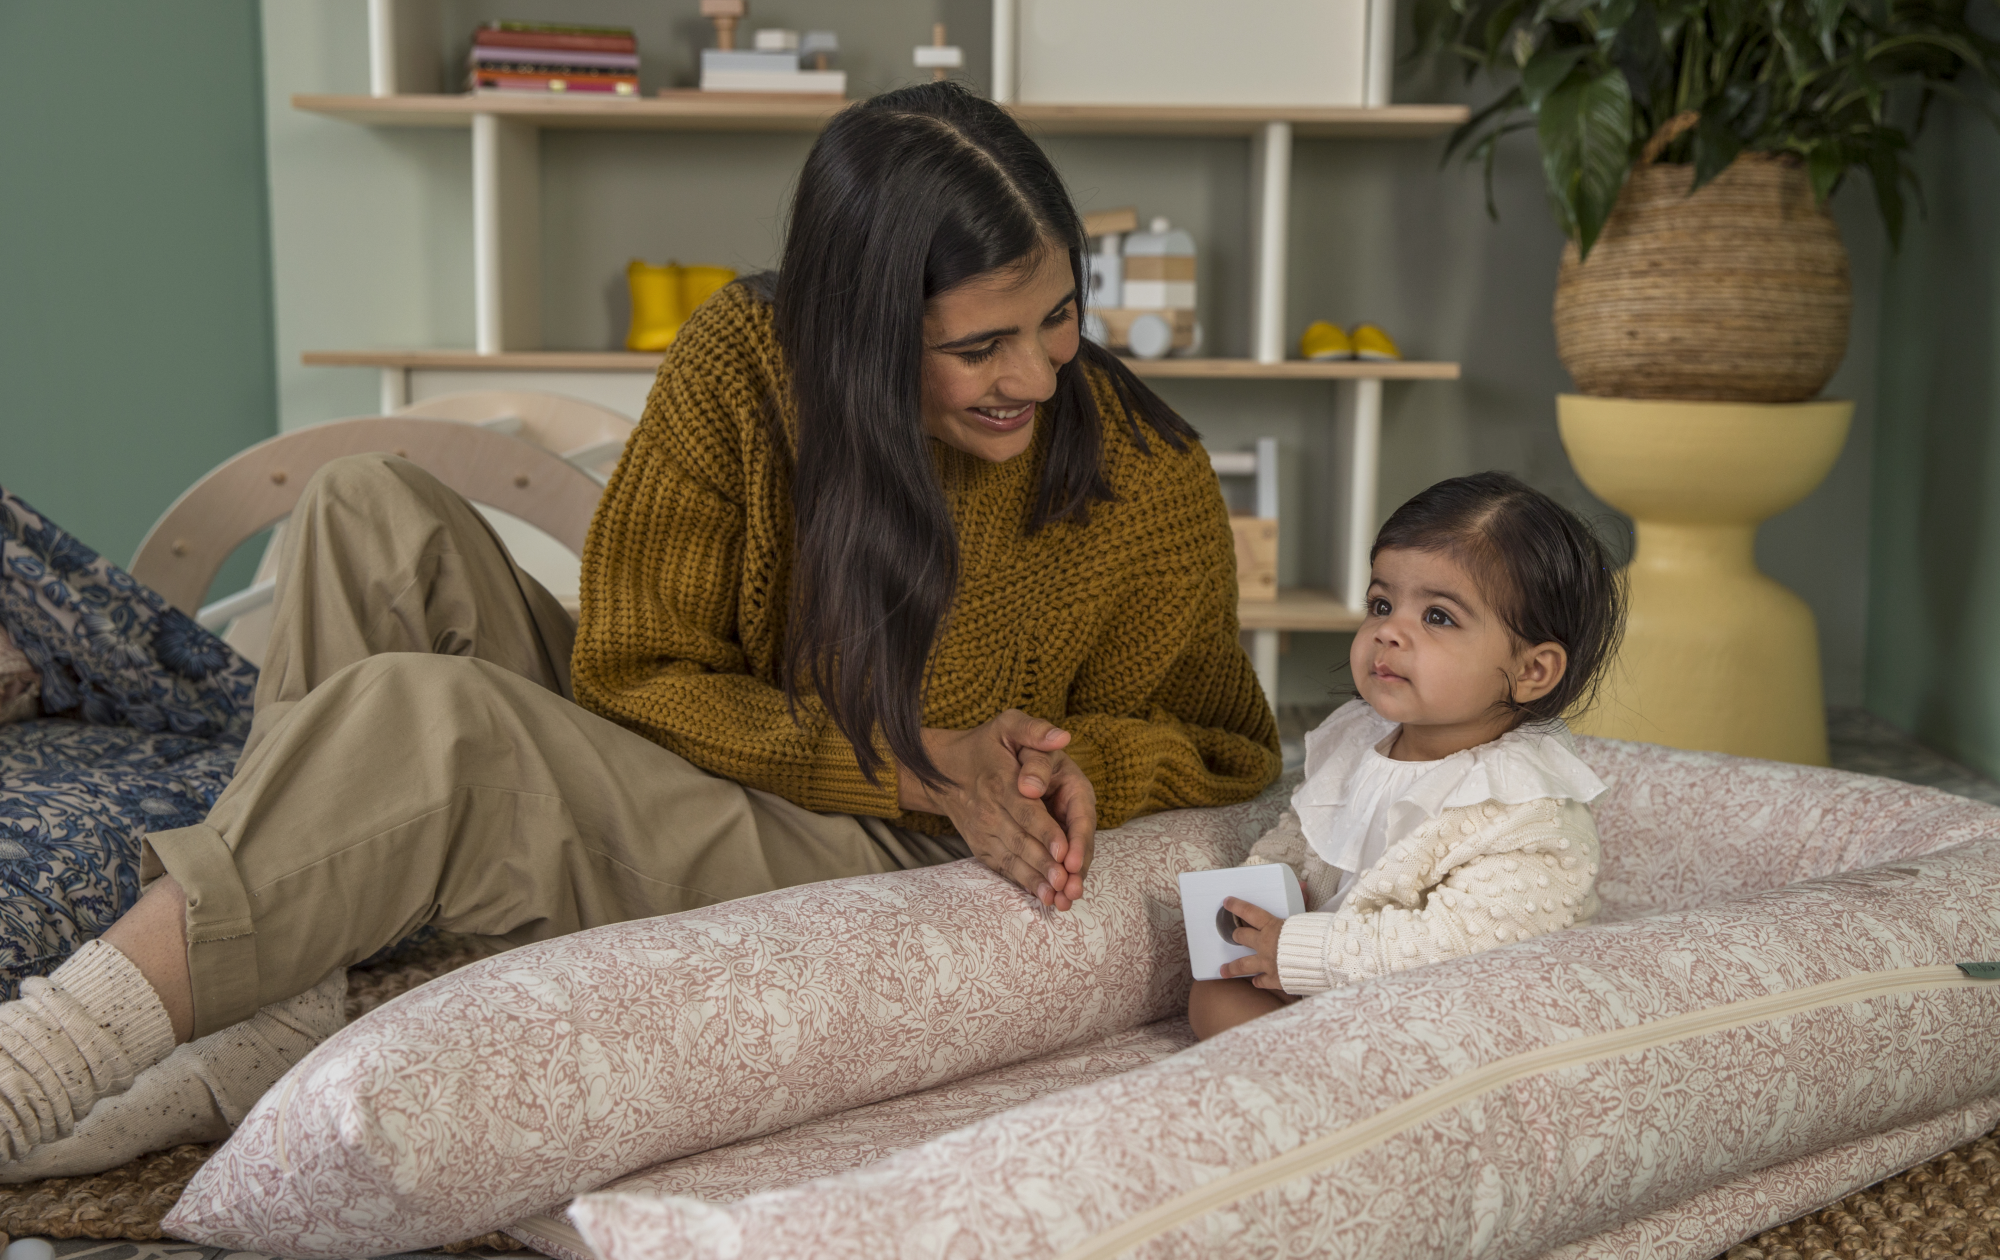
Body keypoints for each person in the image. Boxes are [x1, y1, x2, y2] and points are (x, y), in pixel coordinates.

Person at [0, 83, 1281, 1170]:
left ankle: (45, 1060)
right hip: (778, 753)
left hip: (880, 846)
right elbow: (633, 667)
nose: (1038, 374)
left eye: (1059, 313)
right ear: (858, 331)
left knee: (428, 725)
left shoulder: (1138, 474)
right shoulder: (744, 360)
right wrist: (905, 745)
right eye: (980, 344)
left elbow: (1226, 745)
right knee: (365, 507)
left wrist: (1065, 770)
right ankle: (285, 994)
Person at [1188, 473, 1624, 1040]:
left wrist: (1296, 949)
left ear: (1530, 671)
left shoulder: (1529, 813)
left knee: (1434, 1038)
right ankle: (1289, 1076)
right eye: (1381, 603)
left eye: (1437, 616)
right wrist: (1252, 905)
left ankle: (1324, 1085)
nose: (1389, 631)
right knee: (1218, 986)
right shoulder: (1359, 740)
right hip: (1333, 975)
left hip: (1453, 1012)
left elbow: (1450, 949)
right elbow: (1302, 839)